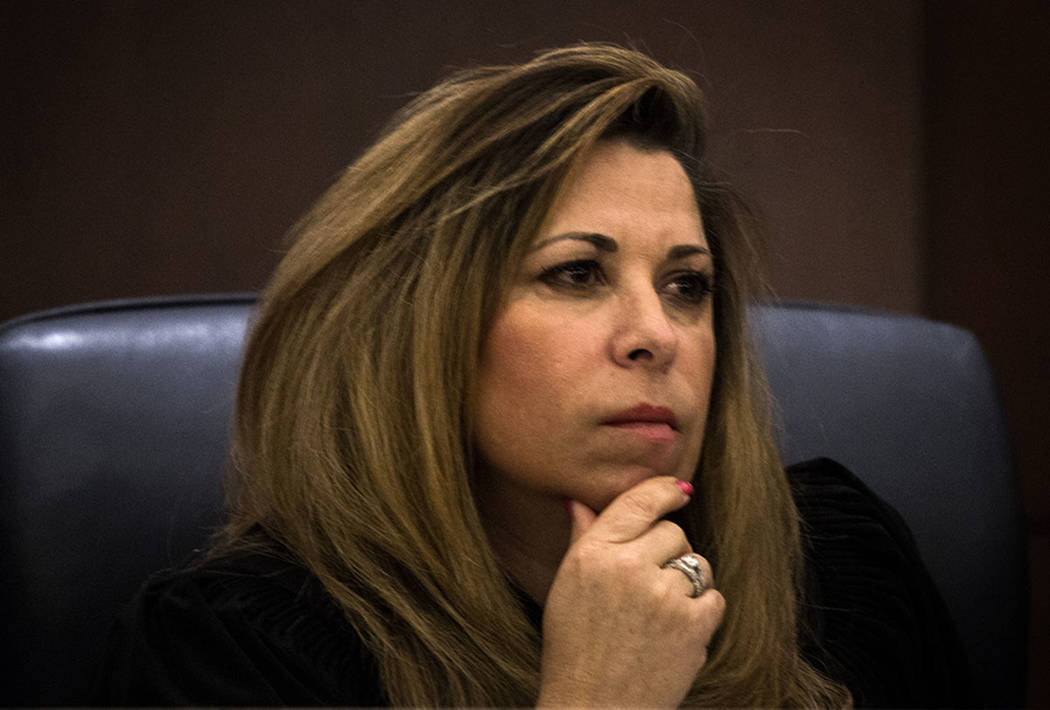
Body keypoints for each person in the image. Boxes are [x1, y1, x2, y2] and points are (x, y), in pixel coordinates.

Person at [97, 43, 968, 707]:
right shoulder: (234, 648)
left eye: (687, 286)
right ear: (418, 329)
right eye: (576, 275)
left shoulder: (841, 564)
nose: (656, 335)